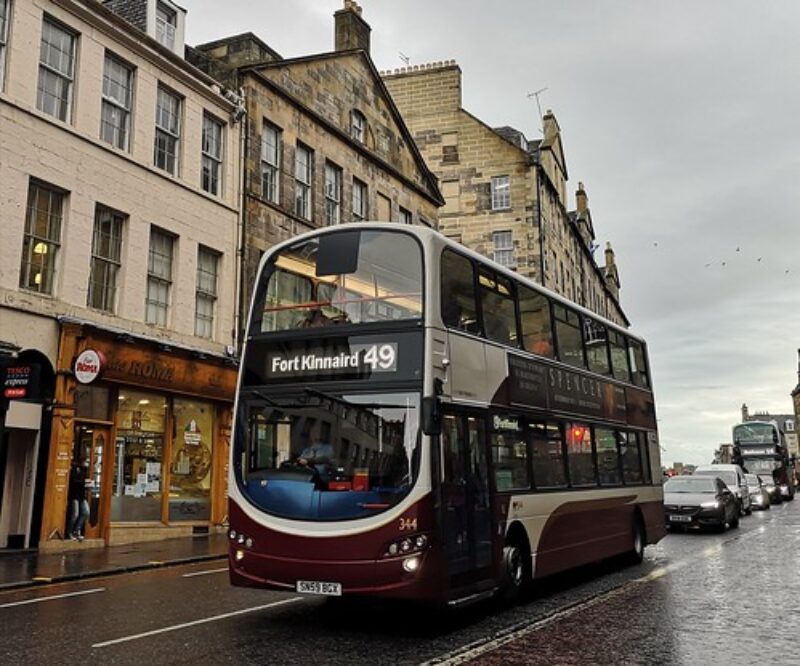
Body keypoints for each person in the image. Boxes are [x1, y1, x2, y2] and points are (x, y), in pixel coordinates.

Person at [66, 458, 90, 541]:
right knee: (75, 514)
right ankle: (69, 532)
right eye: (86, 461)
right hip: (74, 495)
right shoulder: (74, 470)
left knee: (86, 512)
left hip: (82, 496)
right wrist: (84, 483)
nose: (87, 463)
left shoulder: (85, 471)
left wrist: (88, 484)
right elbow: (74, 481)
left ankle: (76, 530)